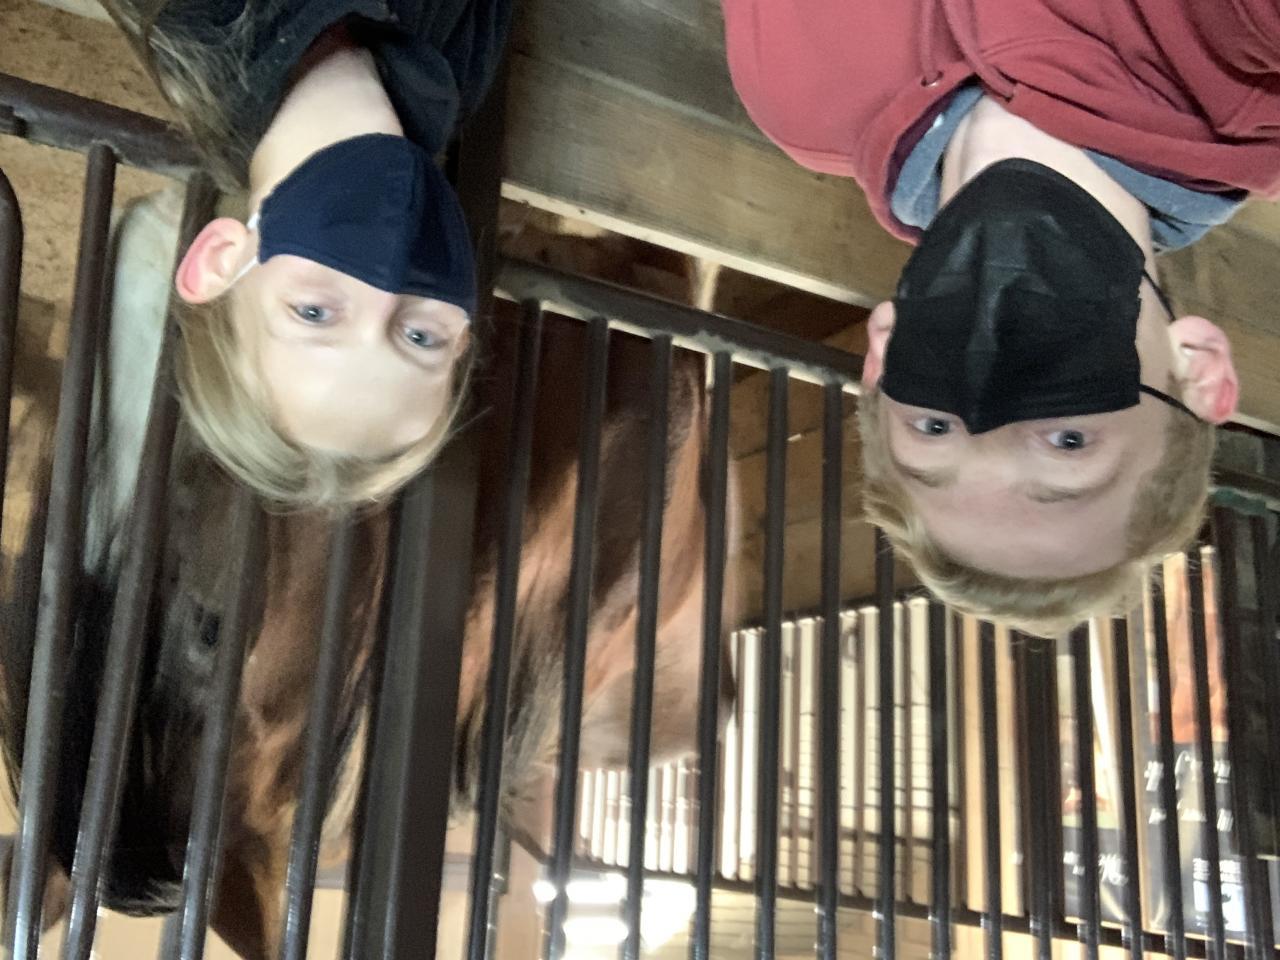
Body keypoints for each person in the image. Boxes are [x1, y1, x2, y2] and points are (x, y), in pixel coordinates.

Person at [718, 0, 1269, 631]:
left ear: (884, 352)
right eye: (1068, 443)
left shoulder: (799, 103)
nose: (990, 382)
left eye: (934, 428)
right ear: (1197, 370)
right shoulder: (1250, 63)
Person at [101, 0, 512, 507]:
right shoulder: (452, 80)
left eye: (314, 313)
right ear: (462, 336)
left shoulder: (210, 19)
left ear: (221, 259)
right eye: (420, 337)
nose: (385, 290)